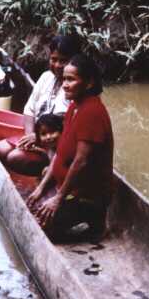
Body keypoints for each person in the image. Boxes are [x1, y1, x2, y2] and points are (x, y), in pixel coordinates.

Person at [27, 54, 114, 242]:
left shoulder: (91, 112)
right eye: (64, 79)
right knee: (34, 210)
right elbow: (60, 153)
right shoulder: (74, 106)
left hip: (87, 197)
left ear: (89, 83)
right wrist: (42, 188)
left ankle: (95, 219)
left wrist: (58, 198)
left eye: (71, 79)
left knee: (41, 228)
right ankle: (69, 209)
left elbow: (81, 161)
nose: (65, 84)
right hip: (69, 189)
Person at [0, 35, 81, 175]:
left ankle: (48, 173)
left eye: (63, 60)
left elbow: (74, 128)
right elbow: (30, 109)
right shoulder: (46, 77)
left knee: (14, 158)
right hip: (38, 138)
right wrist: (31, 135)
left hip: (57, 146)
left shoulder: (75, 87)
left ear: (73, 61)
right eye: (54, 59)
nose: (57, 65)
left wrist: (39, 139)